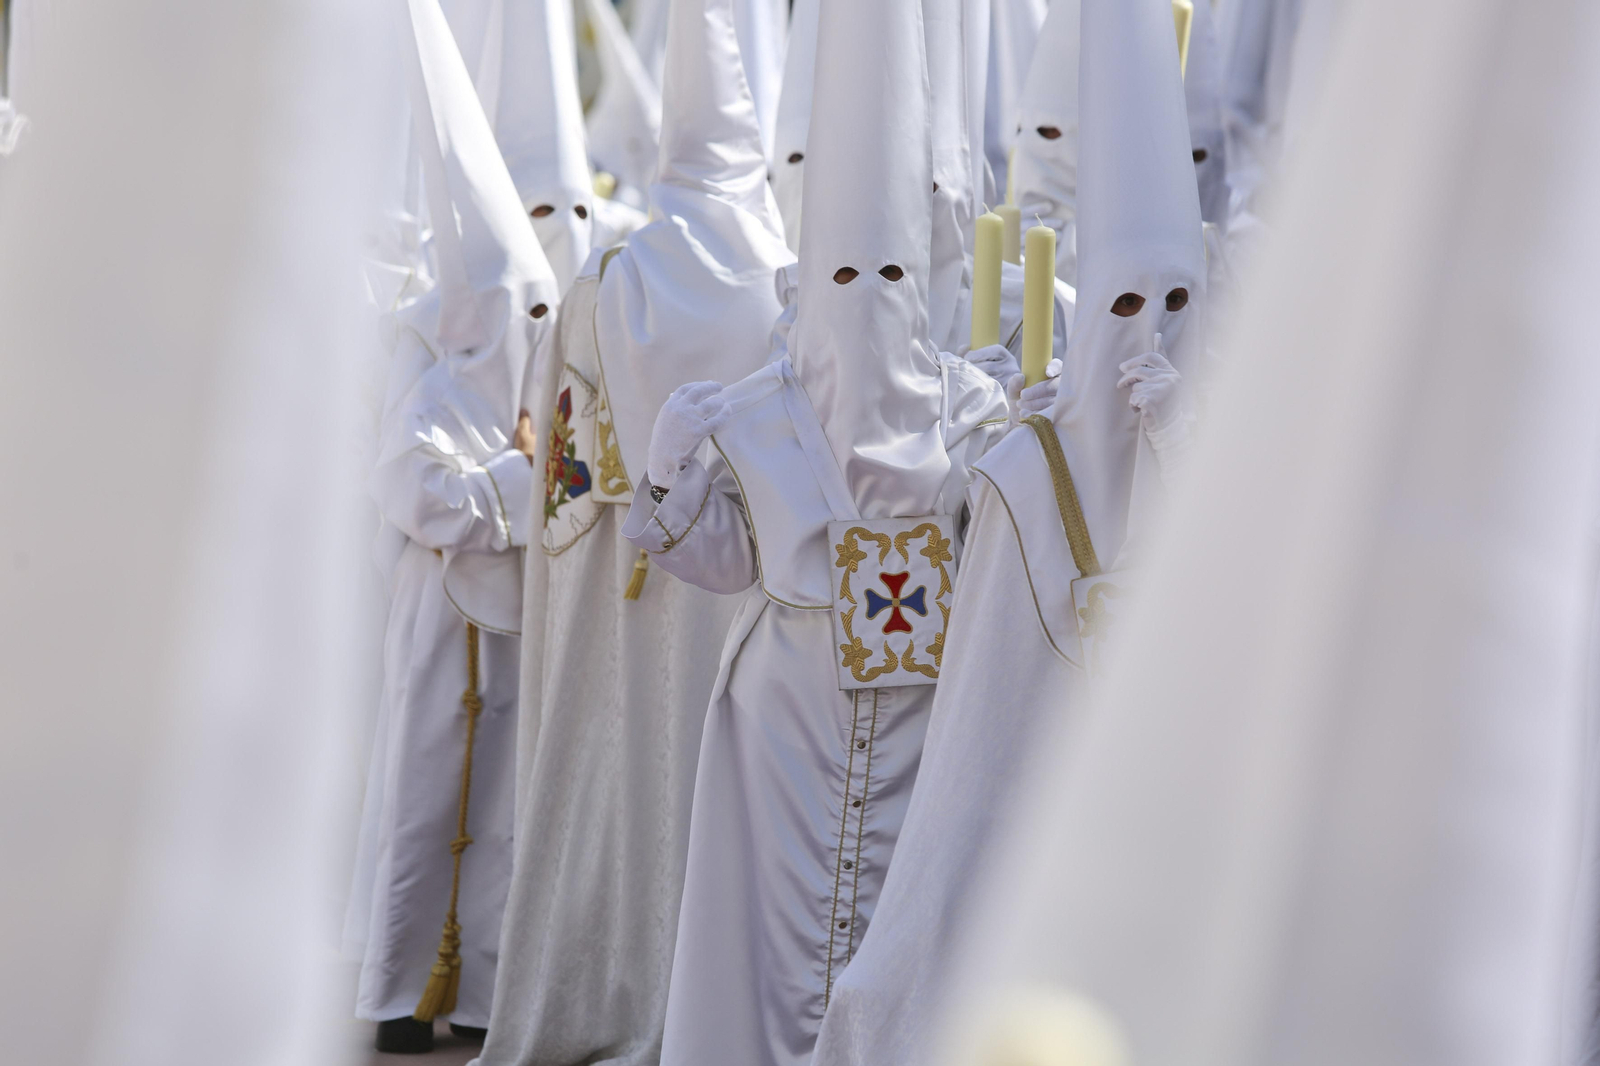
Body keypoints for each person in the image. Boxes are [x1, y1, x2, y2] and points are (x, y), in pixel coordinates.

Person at [810, 0, 1205, 1060]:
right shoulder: (1024, 470)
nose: (1153, 329)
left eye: (1179, 299)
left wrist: (1196, 449)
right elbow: (977, 730)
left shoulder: (1219, 454)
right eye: (1126, 302)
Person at [619, 0, 1008, 1060]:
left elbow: (1012, 542)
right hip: (782, 715)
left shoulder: (969, 407)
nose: (865, 300)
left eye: (887, 278)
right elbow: (716, 561)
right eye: (843, 276)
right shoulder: (754, 406)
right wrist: (668, 472)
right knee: (774, 934)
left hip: (927, 719)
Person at [471, 0, 794, 1061]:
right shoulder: (788, 284)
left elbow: (563, 486)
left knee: (619, 791)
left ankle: (597, 981)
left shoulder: (608, 279)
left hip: (624, 584)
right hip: (740, 585)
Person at [344, 0, 560, 1052]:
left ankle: (476, 988)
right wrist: (515, 482)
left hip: (514, 620)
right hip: (440, 628)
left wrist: (519, 482)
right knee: (428, 798)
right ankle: (397, 989)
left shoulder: (532, 390)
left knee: (507, 814)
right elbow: (413, 492)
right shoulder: (427, 390)